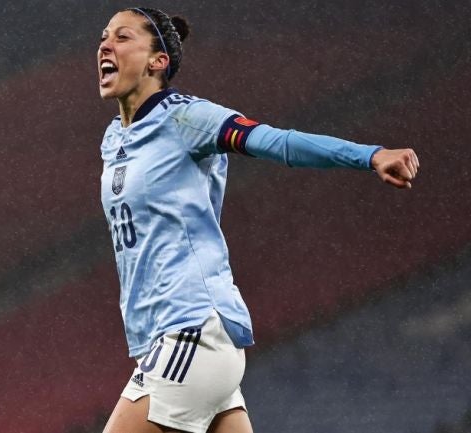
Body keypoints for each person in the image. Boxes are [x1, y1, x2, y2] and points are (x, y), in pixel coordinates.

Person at [97, 6, 419, 433]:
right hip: (172, 341)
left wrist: (370, 155)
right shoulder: (114, 138)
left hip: (190, 331)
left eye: (122, 37)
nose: (104, 45)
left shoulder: (186, 117)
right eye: (104, 36)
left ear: (159, 62)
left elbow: (276, 142)